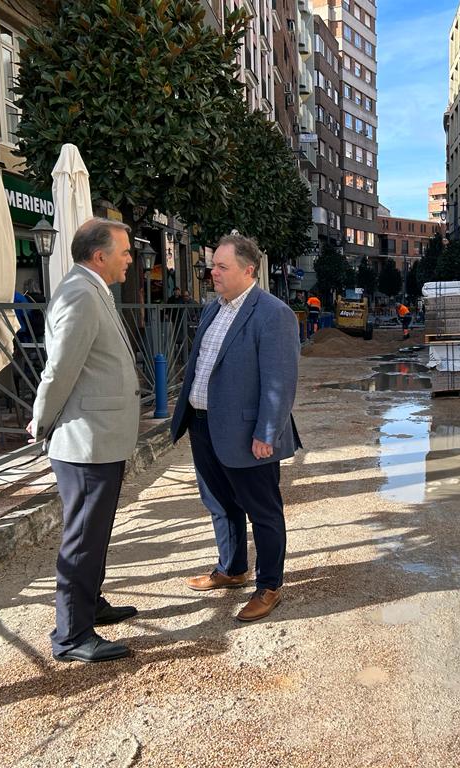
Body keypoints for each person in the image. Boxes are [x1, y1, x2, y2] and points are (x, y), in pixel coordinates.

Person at [171, 234, 302, 622]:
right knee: (219, 503)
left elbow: (279, 381)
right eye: (213, 265)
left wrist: (267, 432)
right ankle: (232, 569)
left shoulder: (272, 313)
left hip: (247, 434)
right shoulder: (215, 308)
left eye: (222, 267)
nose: (213, 272)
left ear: (248, 270)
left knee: (262, 511)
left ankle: (269, 585)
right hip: (203, 425)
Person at [29, 218, 141, 664]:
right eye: (125, 251)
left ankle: (90, 604)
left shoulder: (94, 288)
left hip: (101, 439)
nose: (131, 258)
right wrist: (41, 422)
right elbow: (60, 370)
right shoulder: (79, 293)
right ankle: (72, 635)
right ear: (100, 256)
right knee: (82, 538)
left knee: (95, 533)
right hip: (85, 442)